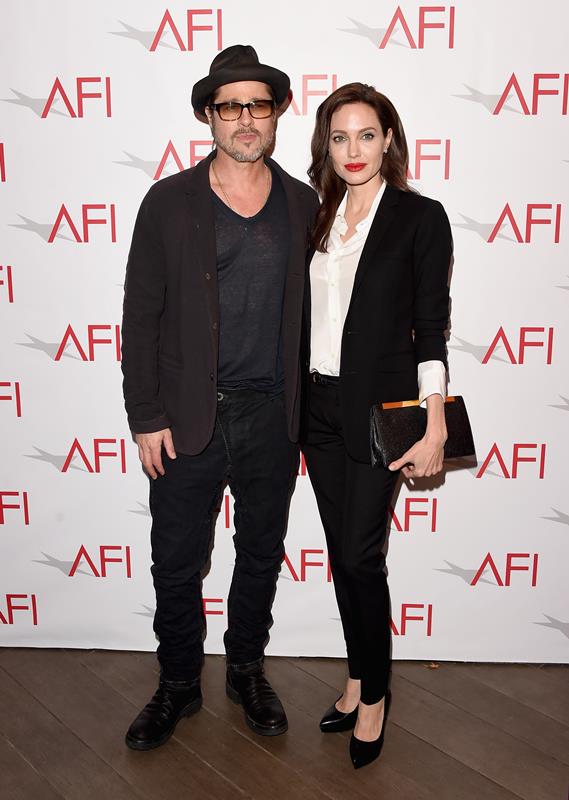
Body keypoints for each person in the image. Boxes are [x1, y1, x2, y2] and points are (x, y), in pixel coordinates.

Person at [121, 44, 318, 750]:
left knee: (260, 552)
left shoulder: (303, 203)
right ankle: (178, 681)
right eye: (230, 105)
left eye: (258, 105)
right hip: (185, 418)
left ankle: (245, 669)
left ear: (276, 114)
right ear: (209, 114)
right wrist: (146, 414)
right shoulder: (168, 201)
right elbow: (140, 314)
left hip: (272, 414)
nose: (245, 118)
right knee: (176, 561)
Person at [302, 83, 452, 769]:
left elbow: (430, 328)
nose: (353, 150)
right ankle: (359, 675)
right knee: (343, 554)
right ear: (326, 146)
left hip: (378, 415)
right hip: (316, 410)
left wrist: (434, 421)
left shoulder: (420, 217)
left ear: (388, 138)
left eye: (366, 134)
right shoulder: (316, 216)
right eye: (339, 137)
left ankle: (375, 697)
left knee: (362, 556)